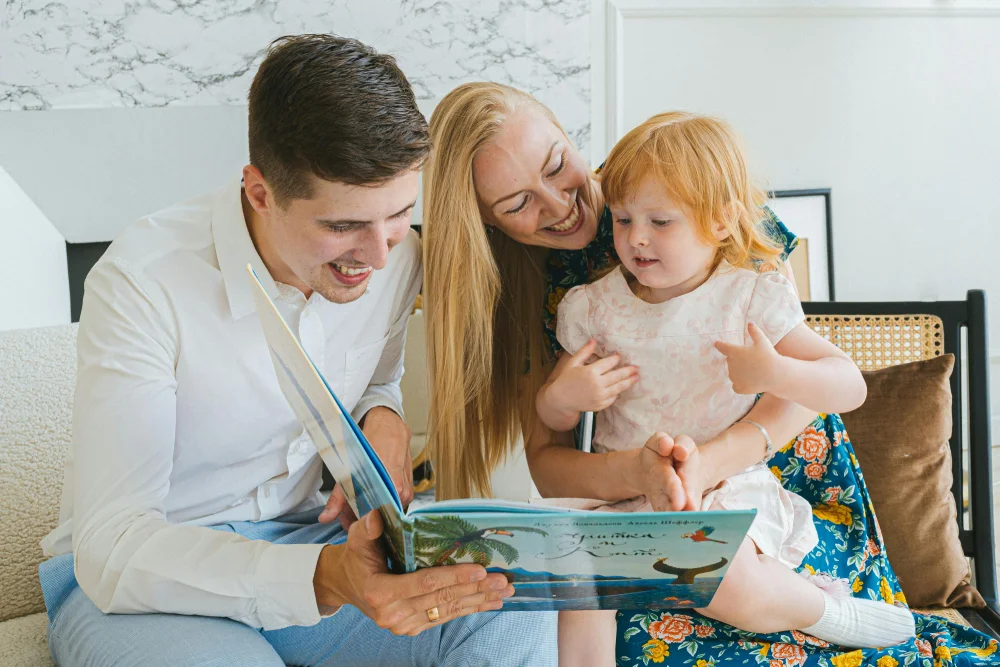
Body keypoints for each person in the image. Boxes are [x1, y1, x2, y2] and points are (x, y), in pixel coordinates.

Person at [421, 82, 997, 664]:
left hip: (772, 481)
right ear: (485, 223)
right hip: (644, 496)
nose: (558, 203)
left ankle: (819, 606)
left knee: (727, 589)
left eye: (556, 164)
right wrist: (632, 464)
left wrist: (707, 465)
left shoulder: (681, 181)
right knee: (587, 598)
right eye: (518, 204)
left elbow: (805, 384)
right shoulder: (559, 299)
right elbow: (552, 461)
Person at [36, 36, 555, 667]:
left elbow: (372, 380)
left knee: (514, 599)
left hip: (315, 540)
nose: (380, 254)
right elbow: (114, 548)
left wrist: (382, 419)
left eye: (397, 215)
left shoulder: (390, 260)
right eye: (342, 227)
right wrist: (329, 577)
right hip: (149, 583)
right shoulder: (143, 282)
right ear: (259, 193)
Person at [534, 111, 916, 665]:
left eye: (660, 221)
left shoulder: (748, 298)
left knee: (723, 576)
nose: (636, 238)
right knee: (581, 596)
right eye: (622, 219)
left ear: (720, 222)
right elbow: (551, 416)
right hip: (624, 493)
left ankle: (823, 611)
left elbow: (847, 384)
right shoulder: (593, 307)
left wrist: (776, 373)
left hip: (722, 488)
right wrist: (563, 399)